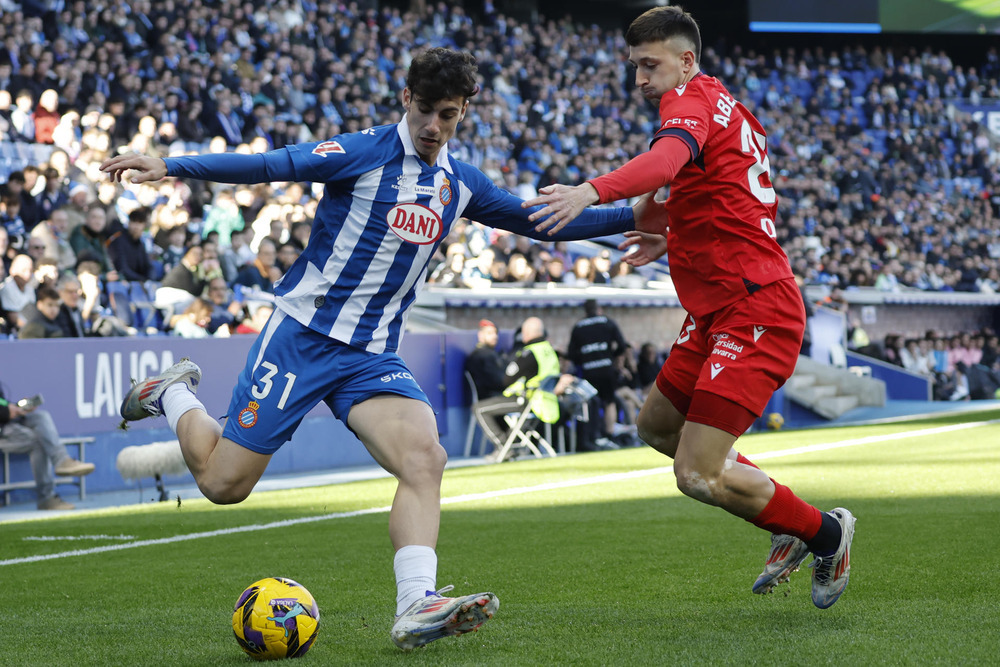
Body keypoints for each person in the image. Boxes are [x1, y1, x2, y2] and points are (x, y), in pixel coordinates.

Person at [101, 47, 665, 650]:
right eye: (425, 111)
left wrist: (637, 214)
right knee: (222, 484)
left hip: (370, 355)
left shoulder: (460, 182)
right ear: (406, 100)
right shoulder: (363, 152)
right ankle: (176, 392)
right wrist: (172, 165)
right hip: (303, 339)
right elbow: (269, 164)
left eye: (447, 116)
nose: (433, 127)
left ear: (464, 112)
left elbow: (534, 220)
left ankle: (416, 604)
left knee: (426, 459)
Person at [523, 7, 856, 609]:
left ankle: (825, 533)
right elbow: (722, 195)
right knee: (655, 428)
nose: (641, 80)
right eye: (634, 68)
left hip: (755, 309)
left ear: (687, 59)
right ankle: (783, 516)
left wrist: (588, 191)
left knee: (696, 475)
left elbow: (667, 162)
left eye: (650, 65)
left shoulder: (689, 102)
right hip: (718, 309)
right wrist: (670, 232)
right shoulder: (724, 104)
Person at [471, 316, 575, 461]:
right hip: (548, 403)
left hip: (529, 401)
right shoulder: (549, 350)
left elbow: (506, 380)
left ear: (525, 333)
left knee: (478, 408)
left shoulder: (529, 353)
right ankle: (510, 445)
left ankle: (504, 447)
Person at [0, 380, 94, 510]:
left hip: (6, 422)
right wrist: (5, 412)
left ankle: (62, 461)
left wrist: (16, 407)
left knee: (41, 417)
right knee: (39, 441)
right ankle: (47, 498)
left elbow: (1, 402)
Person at [566, 299, 628, 446]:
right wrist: (612, 357)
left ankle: (594, 435)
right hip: (606, 369)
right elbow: (622, 345)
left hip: (588, 371)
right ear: (598, 309)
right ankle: (609, 433)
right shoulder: (608, 322)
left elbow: (571, 353)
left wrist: (583, 361)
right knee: (609, 402)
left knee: (591, 403)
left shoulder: (578, 326)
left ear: (585, 311)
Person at [464, 319, 506, 400]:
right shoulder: (483, 355)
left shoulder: (489, 353)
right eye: (490, 333)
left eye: (495, 333)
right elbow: (498, 381)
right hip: (491, 398)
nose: (495, 336)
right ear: (480, 335)